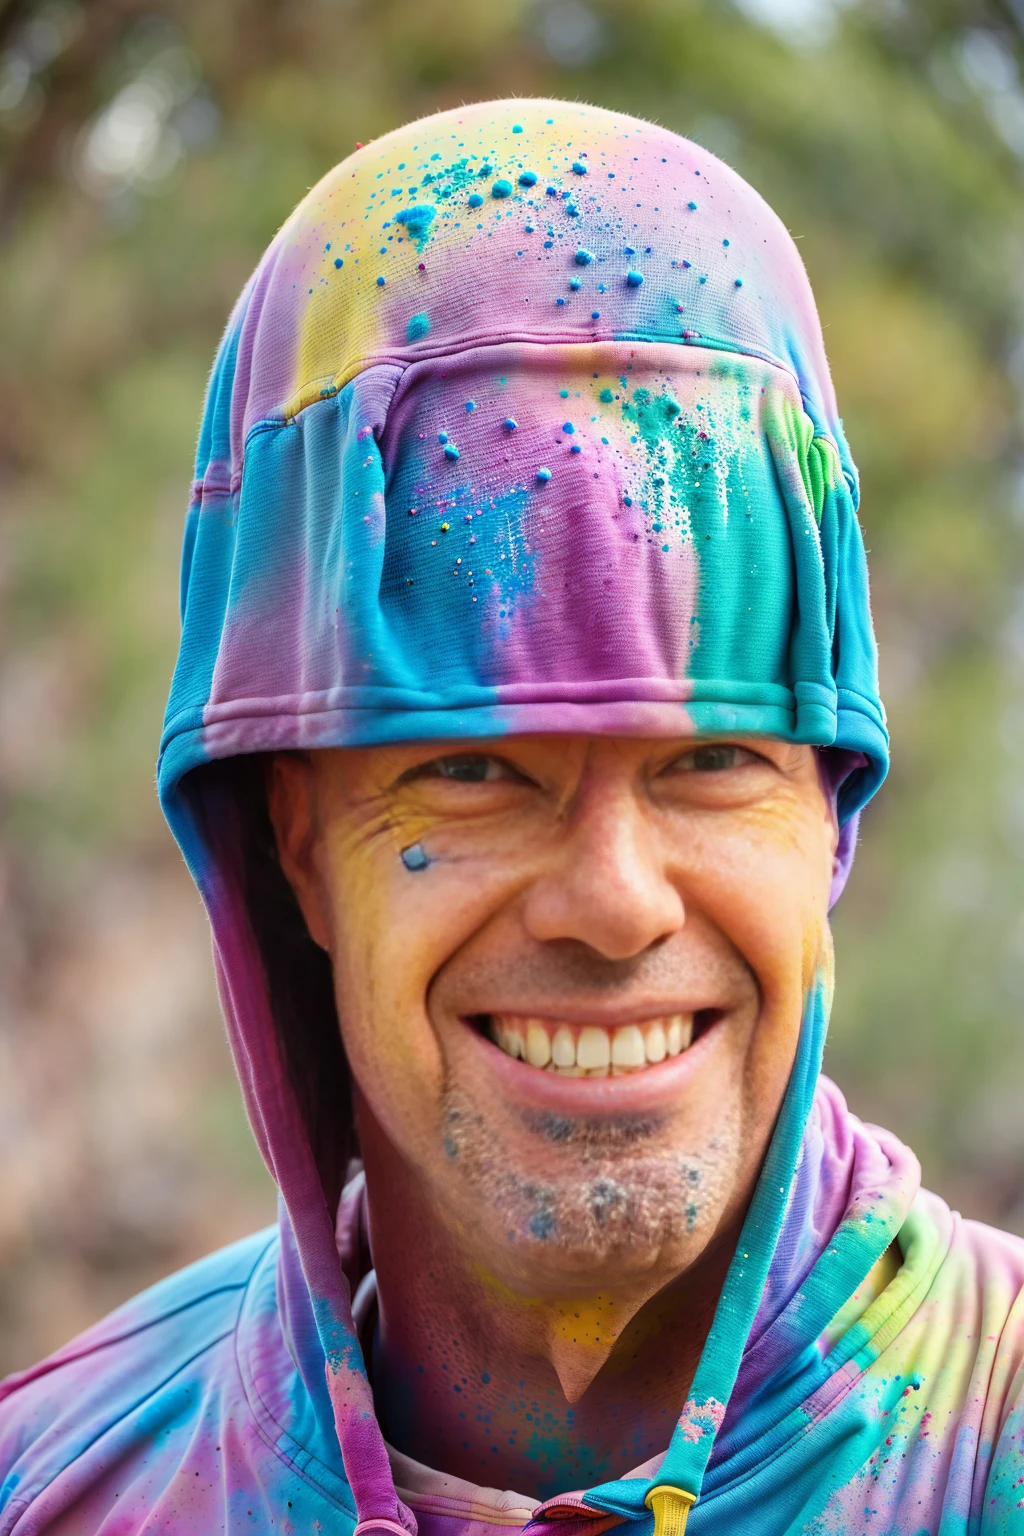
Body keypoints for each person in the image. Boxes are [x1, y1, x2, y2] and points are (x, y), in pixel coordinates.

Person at [1, 97, 1021, 1536]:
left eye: (714, 759)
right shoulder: (63, 1489)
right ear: (292, 841)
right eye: (472, 770)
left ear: (828, 818)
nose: (614, 903)